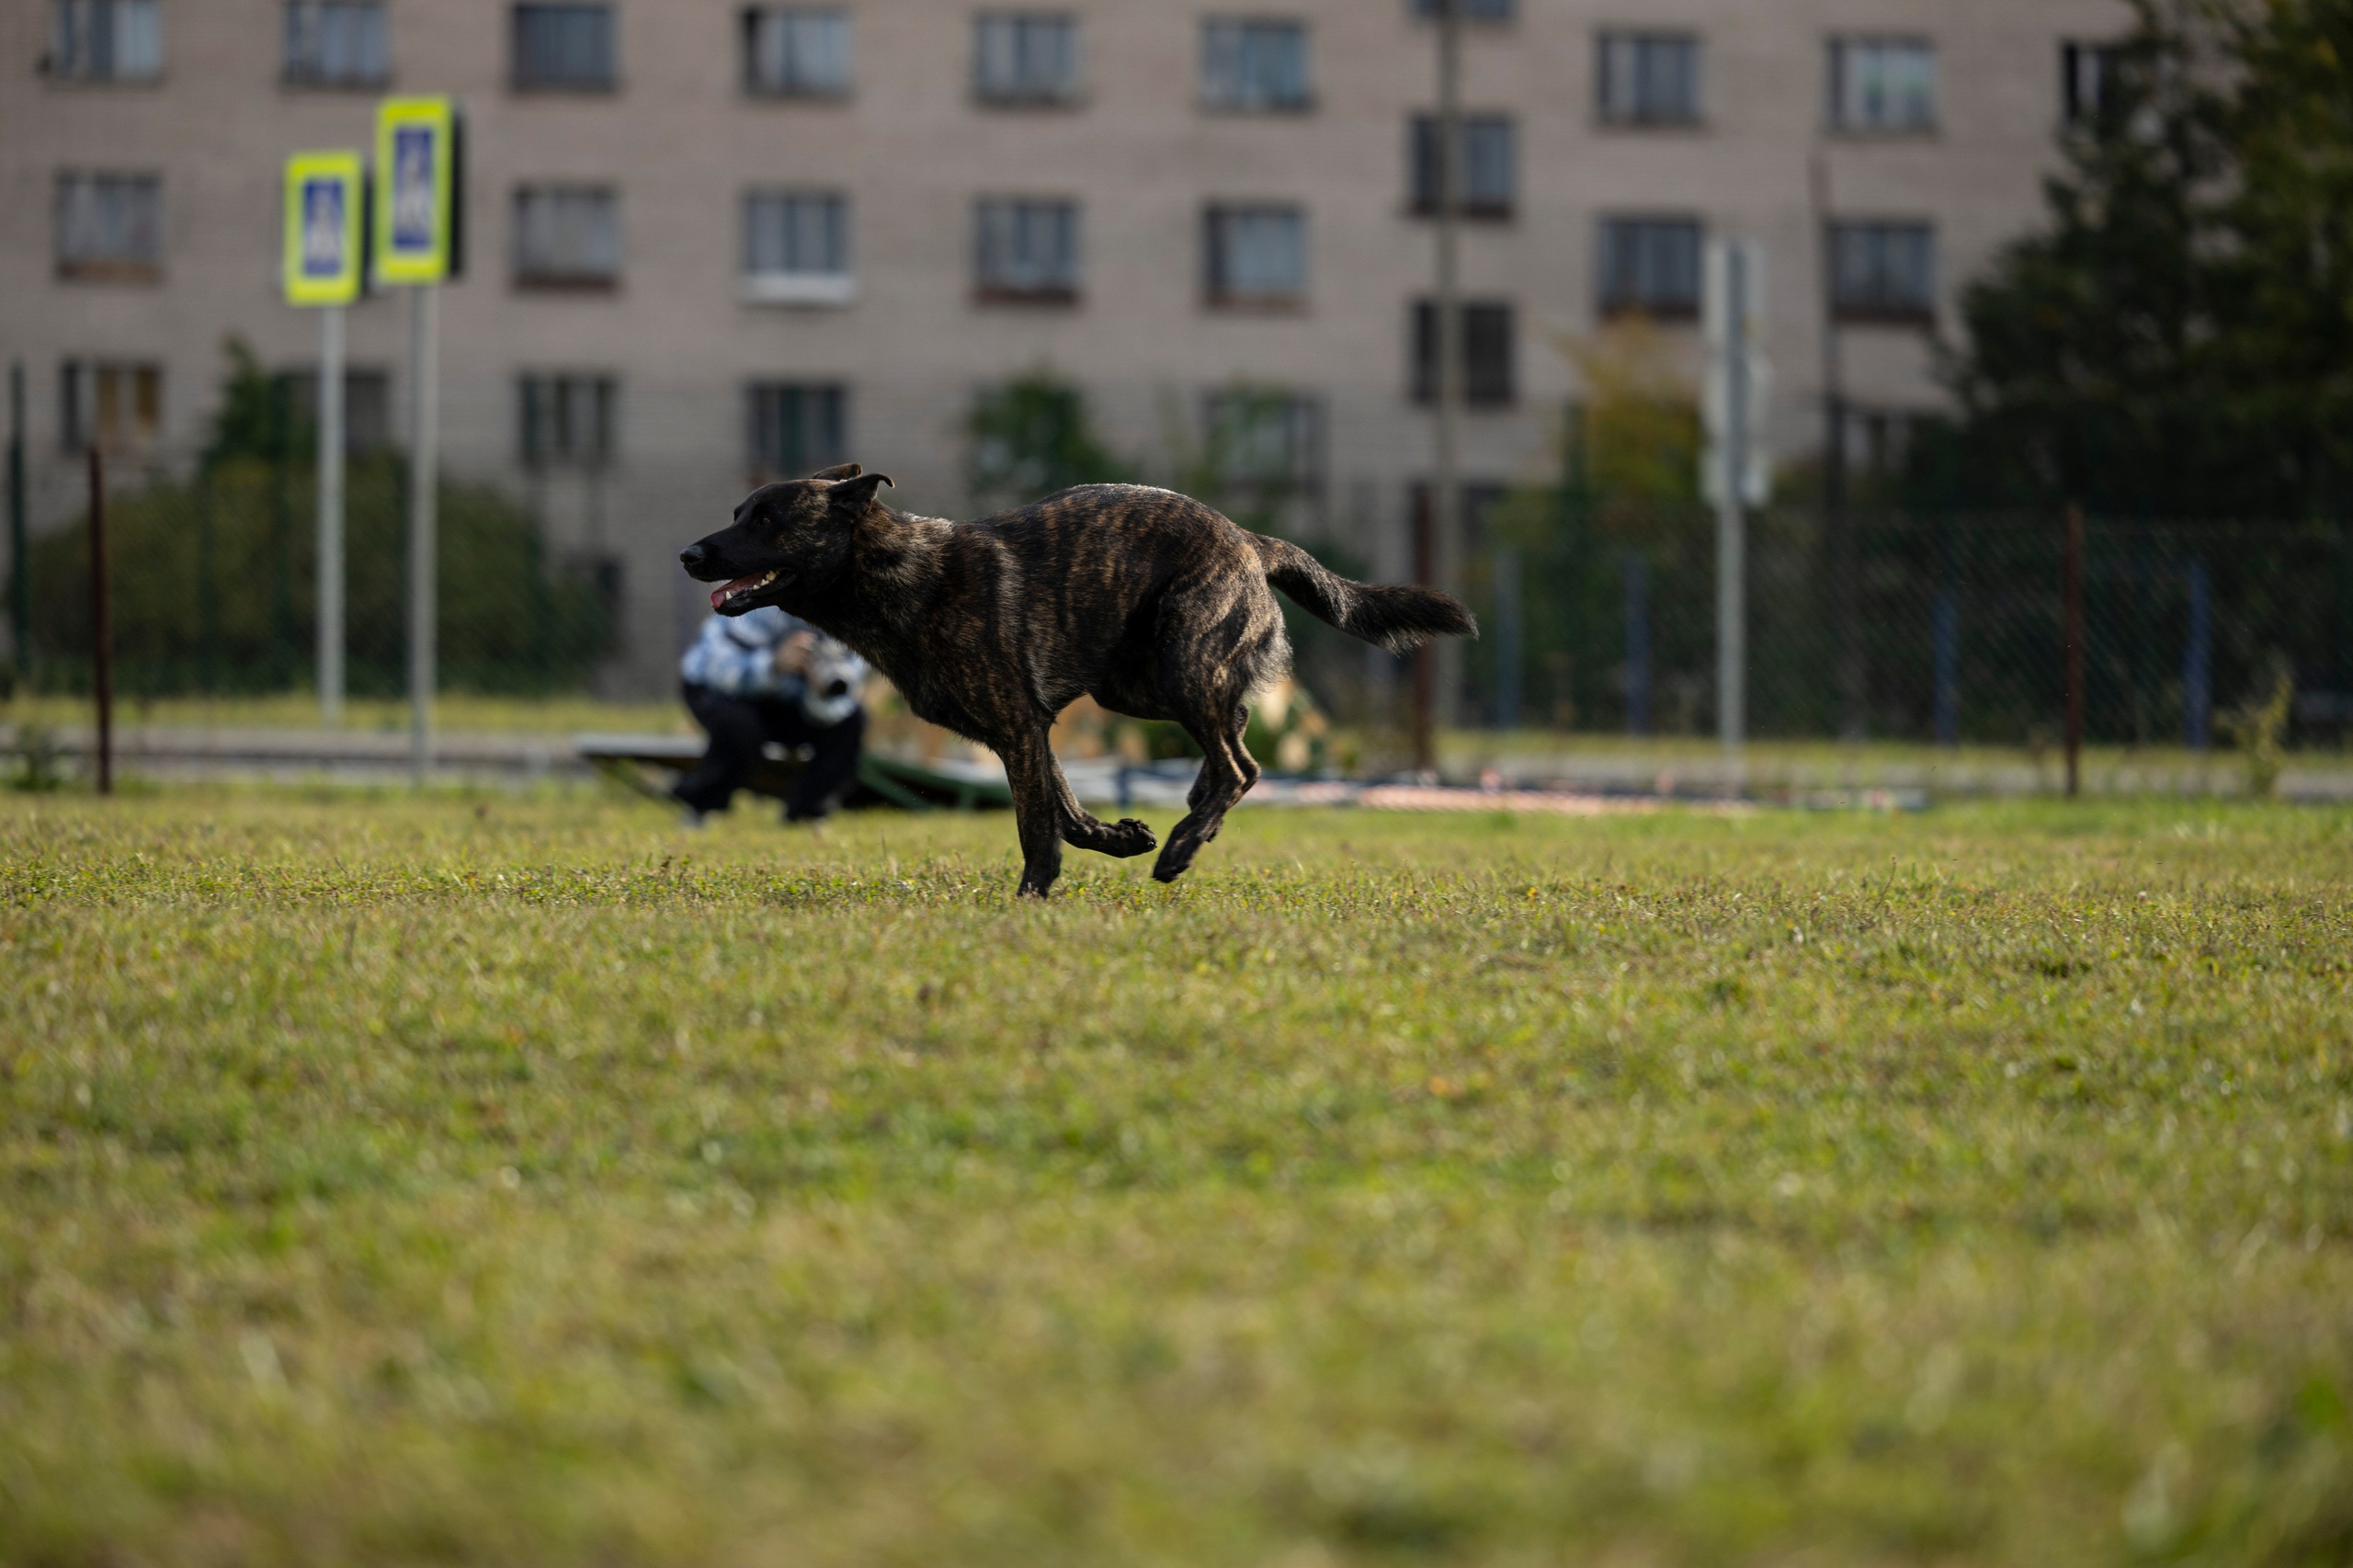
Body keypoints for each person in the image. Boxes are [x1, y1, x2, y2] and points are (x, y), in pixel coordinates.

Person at [673, 606, 869, 825]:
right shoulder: (758, 605)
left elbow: (842, 700)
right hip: (715, 687)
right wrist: (773, 664)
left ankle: (807, 813)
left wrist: (819, 690)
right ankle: (700, 805)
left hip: (793, 701)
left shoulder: (852, 617)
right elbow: (717, 671)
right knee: (738, 726)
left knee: (851, 721)